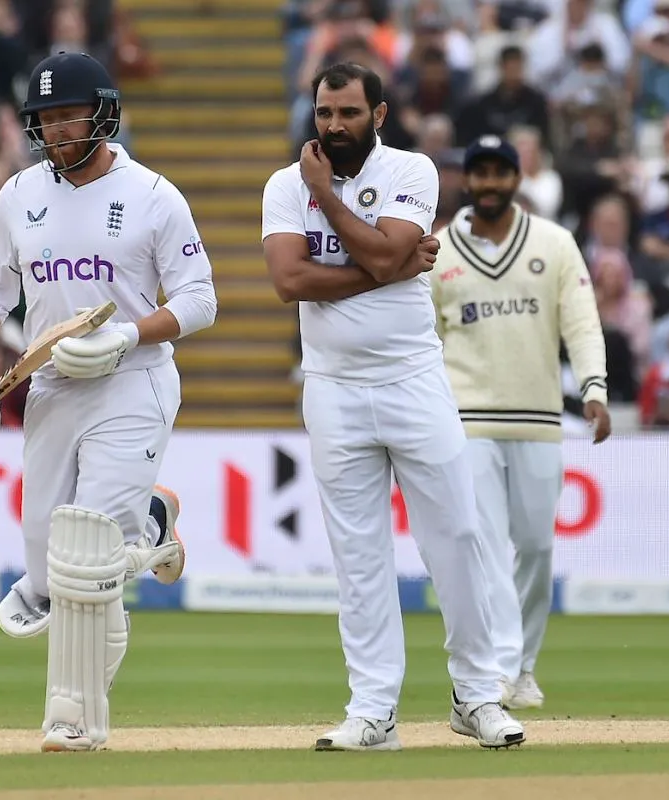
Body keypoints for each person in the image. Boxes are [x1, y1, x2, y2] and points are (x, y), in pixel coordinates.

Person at [0, 51, 217, 753]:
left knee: (87, 555)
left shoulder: (152, 194)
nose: (57, 129)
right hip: (52, 387)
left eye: (69, 114)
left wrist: (125, 336)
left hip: (133, 380)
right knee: (48, 574)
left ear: (103, 113)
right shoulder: (19, 194)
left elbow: (202, 301)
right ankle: (151, 524)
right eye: (46, 118)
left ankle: (74, 716)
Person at [261, 62, 524, 752]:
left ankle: (477, 696)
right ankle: (372, 710)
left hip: (412, 378)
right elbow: (290, 280)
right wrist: (387, 262)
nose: (334, 126)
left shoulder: (412, 171)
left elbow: (383, 256)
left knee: (459, 538)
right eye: (324, 113)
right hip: (332, 387)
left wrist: (338, 208)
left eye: (348, 113)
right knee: (359, 556)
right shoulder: (284, 185)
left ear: (378, 114)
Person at [431, 135, 610, 710]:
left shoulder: (554, 244)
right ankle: (501, 670)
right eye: (478, 173)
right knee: (482, 544)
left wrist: (594, 387)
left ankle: (523, 665)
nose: (488, 183)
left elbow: (580, 323)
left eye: (498, 173)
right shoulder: (438, 251)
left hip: (537, 417)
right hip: (466, 418)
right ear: (467, 180)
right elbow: (421, 340)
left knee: (533, 547)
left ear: (516, 180)